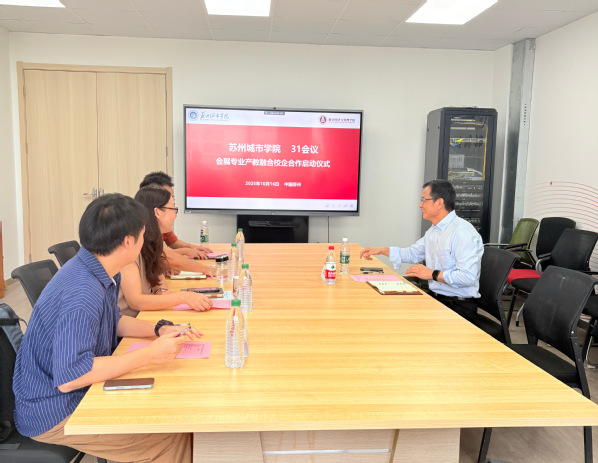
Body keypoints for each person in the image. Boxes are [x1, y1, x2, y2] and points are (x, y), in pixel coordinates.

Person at [13, 193, 201, 463]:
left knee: (171, 412)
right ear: (128, 242)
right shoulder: (82, 292)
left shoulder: (96, 269)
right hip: (56, 411)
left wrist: (159, 329)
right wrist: (150, 354)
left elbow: (114, 320)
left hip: (74, 392)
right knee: (170, 438)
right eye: (142, 235)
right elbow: (71, 377)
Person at [360, 179, 483, 321]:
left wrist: (432, 274)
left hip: (458, 307)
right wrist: (383, 250)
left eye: (424, 200)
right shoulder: (434, 231)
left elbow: (468, 277)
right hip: (437, 299)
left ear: (439, 202)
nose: (420, 205)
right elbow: (413, 253)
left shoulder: (462, 232)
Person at [118, 186, 213, 316]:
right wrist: (182, 297)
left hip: (146, 316)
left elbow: (158, 280)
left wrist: (161, 291)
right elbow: (136, 302)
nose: (175, 215)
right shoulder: (131, 246)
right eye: (173, 208)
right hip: (130, 322)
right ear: (157, 212)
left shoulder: (152, 242)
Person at [140, 171, 212, 260]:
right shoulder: (140, 231)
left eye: (172, 198)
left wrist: (192, 248)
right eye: (167, 197)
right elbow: (156, 257)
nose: (174, 215)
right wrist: (185, 251)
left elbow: (172, 242)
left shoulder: (160, 225)